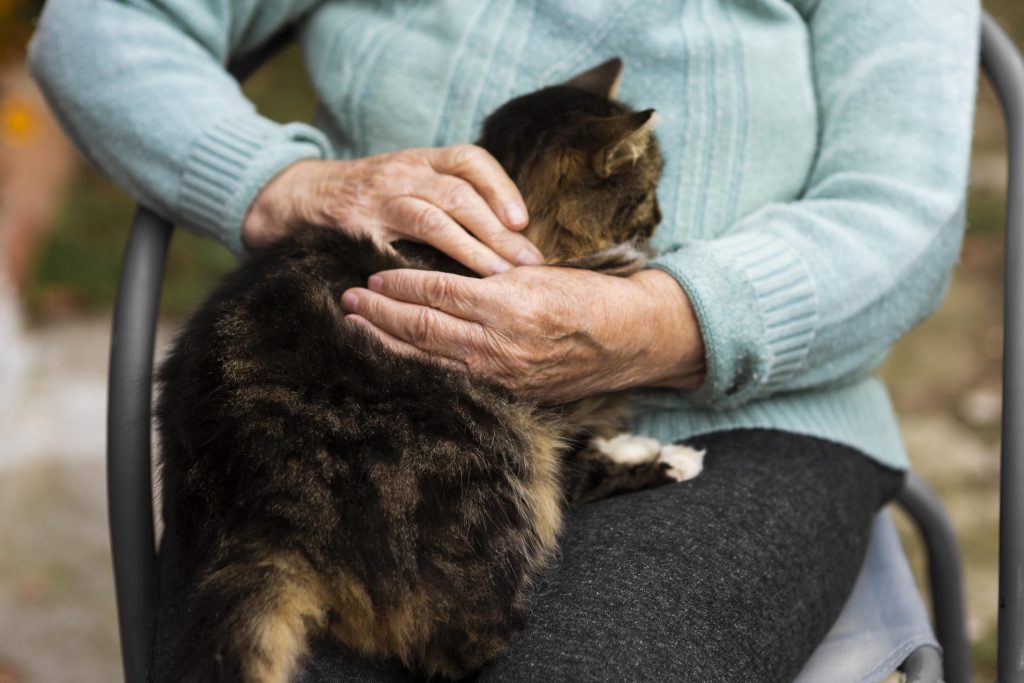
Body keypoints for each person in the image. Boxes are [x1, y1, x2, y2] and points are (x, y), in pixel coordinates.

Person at [28, 0, 980, 680]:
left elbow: (902, 211)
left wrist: (660, 324)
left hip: (738, 416)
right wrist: (276, 183)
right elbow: (104, 25)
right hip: (353, 394)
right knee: (266, 628)